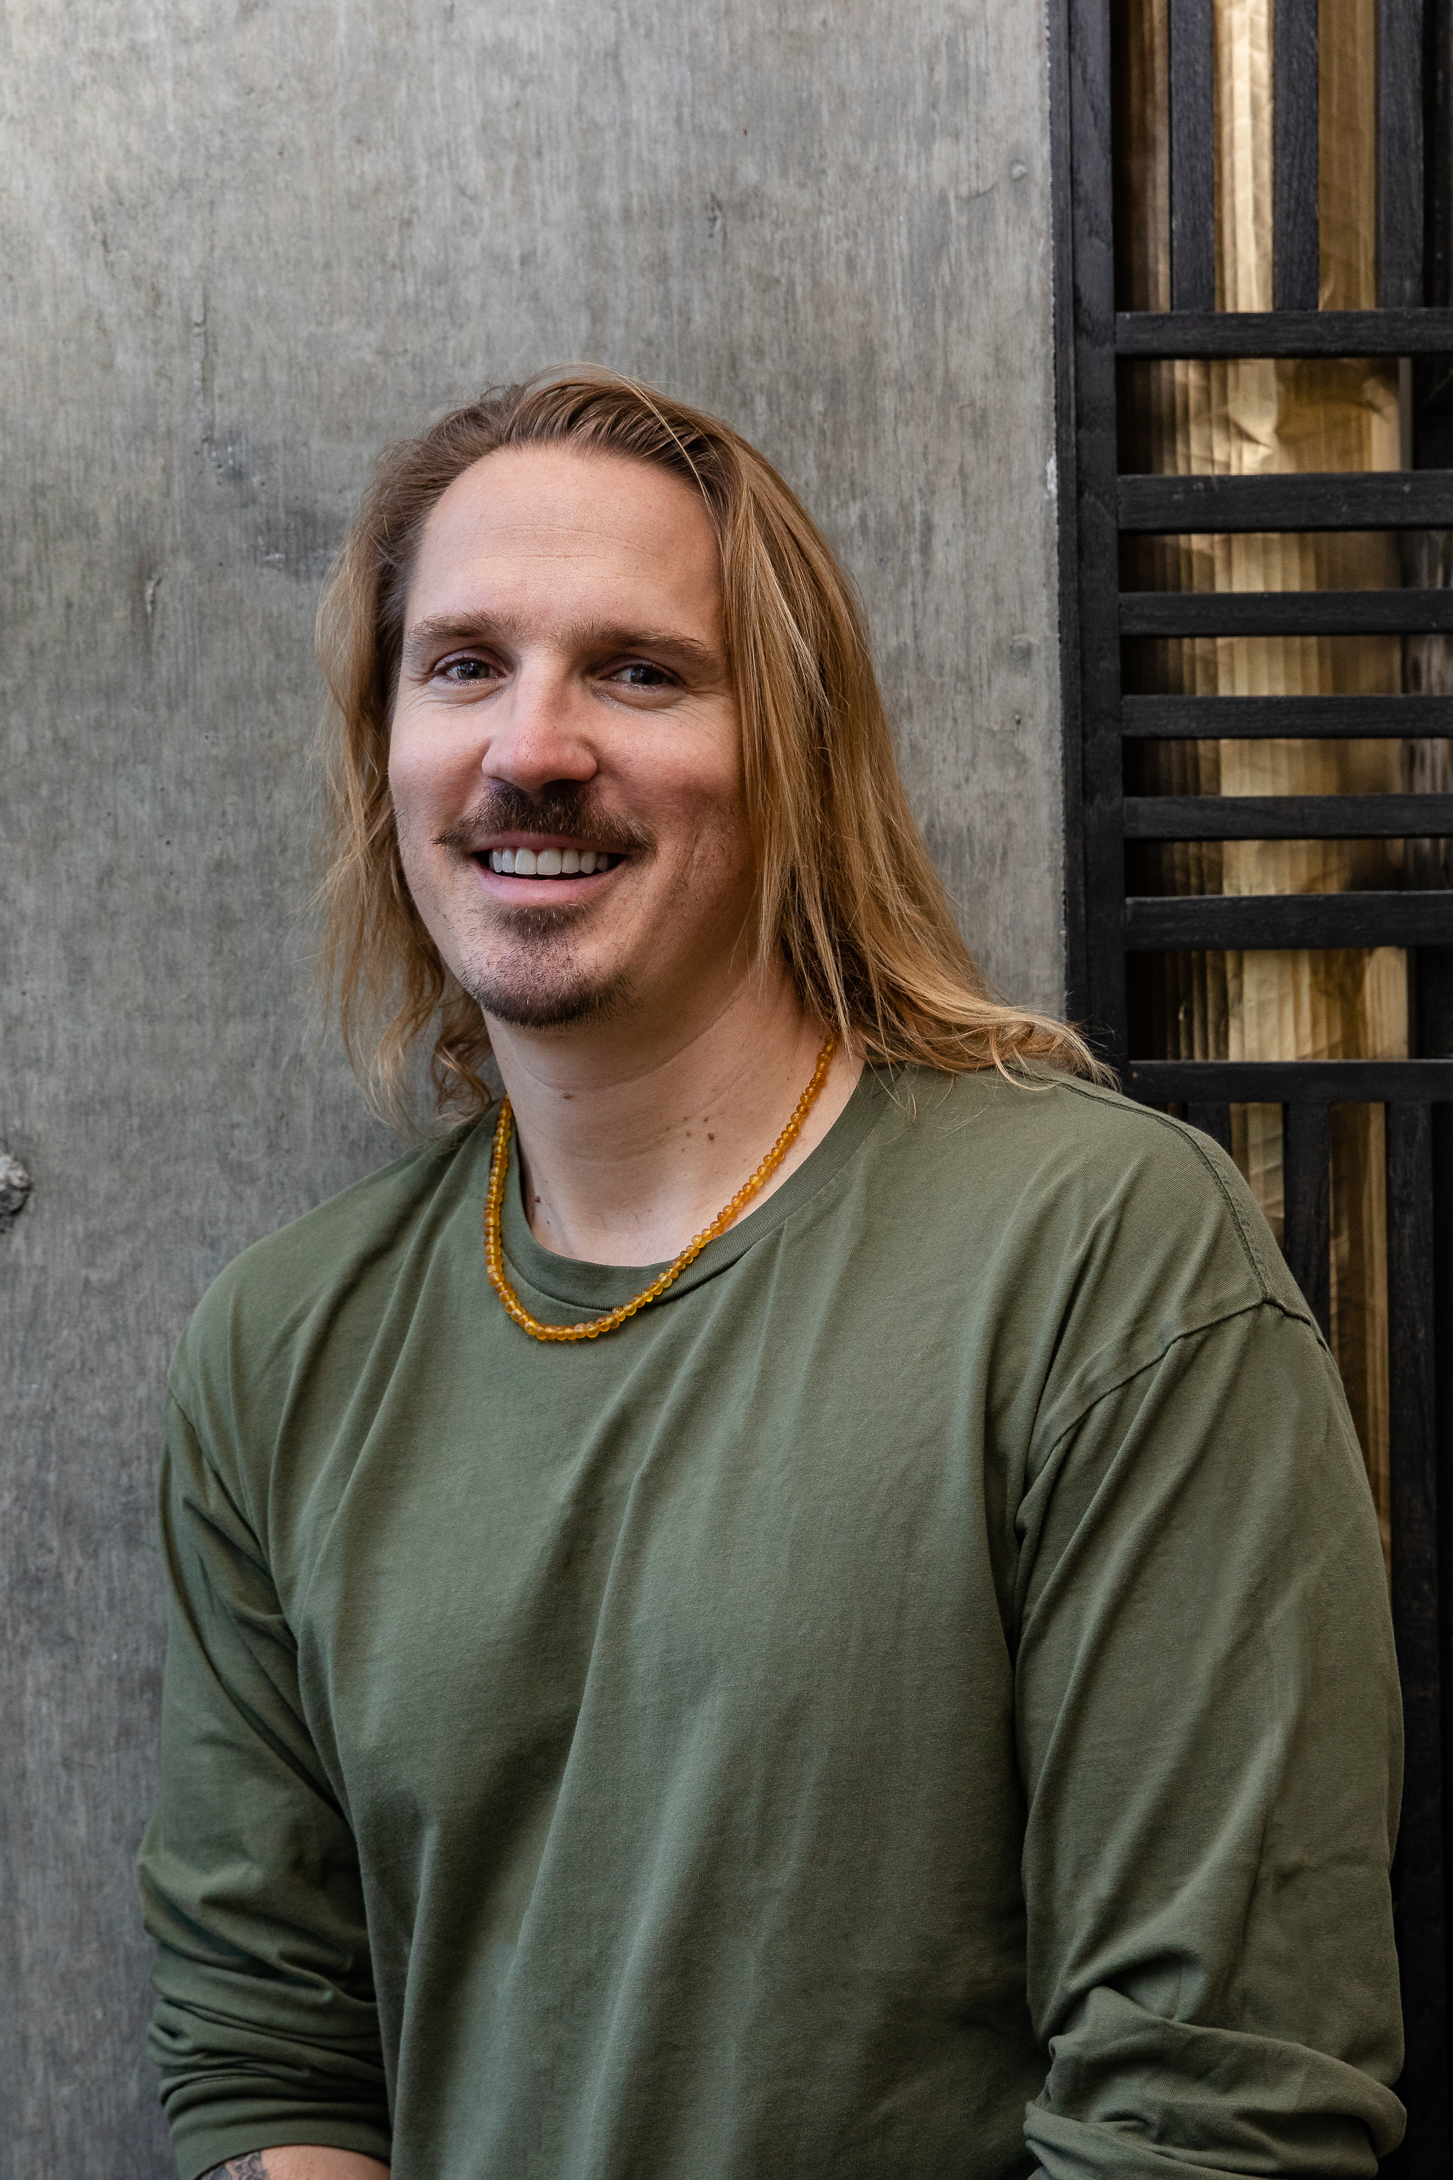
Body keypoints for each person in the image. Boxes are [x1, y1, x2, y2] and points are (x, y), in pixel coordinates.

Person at [138, 371, 1405, 2180]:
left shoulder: (1095, 1256)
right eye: (464, 665)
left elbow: (1216, 2104)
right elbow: (269, 2037)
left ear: (790, 750)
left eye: (639, 672)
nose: (533, 748)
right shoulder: (281, 1345)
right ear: (384, 745)